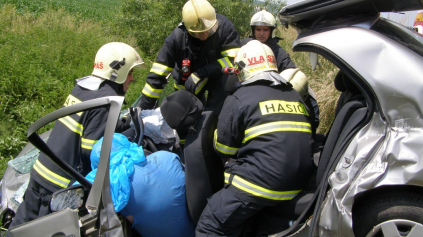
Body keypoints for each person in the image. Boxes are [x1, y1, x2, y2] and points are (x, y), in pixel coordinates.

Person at [7, 42, 147, 230]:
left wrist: (120, 124)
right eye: (130, 72)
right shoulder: (105, 102)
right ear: (117, 72)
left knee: (19, 228)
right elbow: (92, 151)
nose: (131, 78)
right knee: (43, 232)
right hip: (59, 186)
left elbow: (86, 123)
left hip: (41, 171)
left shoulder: (84, 87)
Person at [195, 40, 314, 236]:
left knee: (210, 224)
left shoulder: (239, 97)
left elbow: (223, 150)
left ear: (241, 69)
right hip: (298, 184)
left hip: (260, 185)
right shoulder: (294, 94)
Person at [136, 0, 240, 115]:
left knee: (215, 115)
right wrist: (142, 111)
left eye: (208, 30)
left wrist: (202, 73)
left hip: (218, 78)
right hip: (188, 84)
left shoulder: (225, 27)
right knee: (185, 119)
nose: (205, 36)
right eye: (199, 33)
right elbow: (157, 77)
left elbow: (233, 60)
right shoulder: (176, 39)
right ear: (188, 29)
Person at [241, 9, 320, 136]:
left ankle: (308, 135)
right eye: (258, 30)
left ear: (271, 31)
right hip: (249, 92)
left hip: (273, 94)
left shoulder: (278, 51)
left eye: (265, 30)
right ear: (253, 30)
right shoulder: (243, 47)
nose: (261, 33)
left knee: (309, 96)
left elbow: (292, 74)